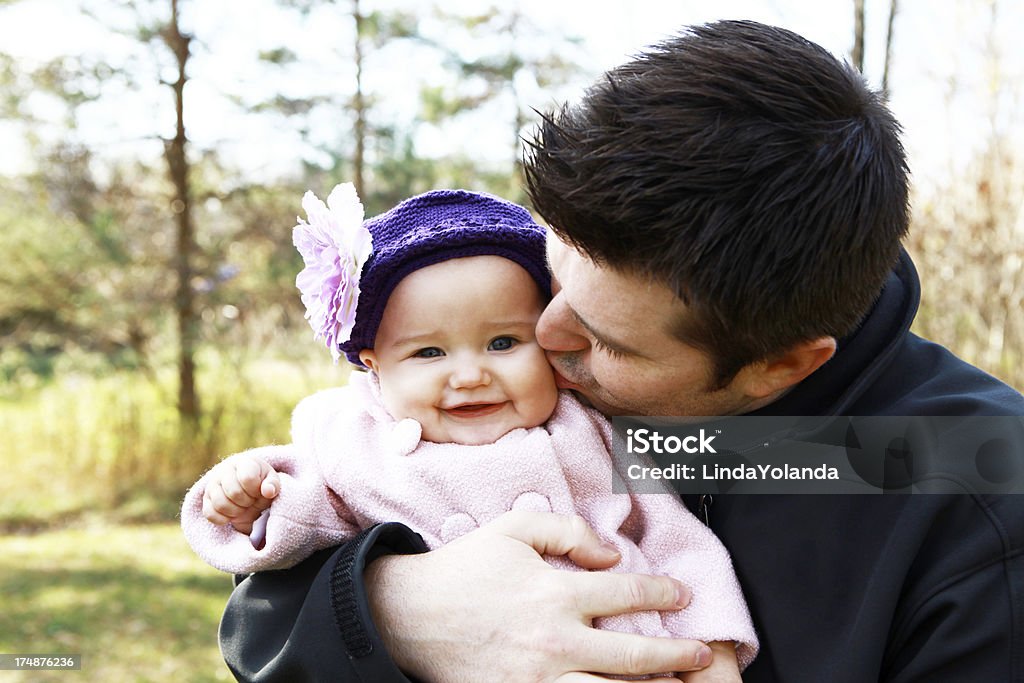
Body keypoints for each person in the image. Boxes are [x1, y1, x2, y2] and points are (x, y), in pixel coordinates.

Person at [217, 20, 1024, 683]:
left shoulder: (969, 494)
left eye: (602, 339)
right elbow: (262, 623)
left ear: (781, 364)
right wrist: (394, 608)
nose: (541, 338)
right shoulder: (551, 400)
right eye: (550, 282)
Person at [183, 186, 759, 679]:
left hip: (635, 653)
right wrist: (249, 503)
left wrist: (713, 645)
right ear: (373, 365)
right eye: (429, 351)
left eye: (504, 343)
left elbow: (676, 539)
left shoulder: (587, 424)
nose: (470, 374)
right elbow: (303, 519)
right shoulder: (354, 439)